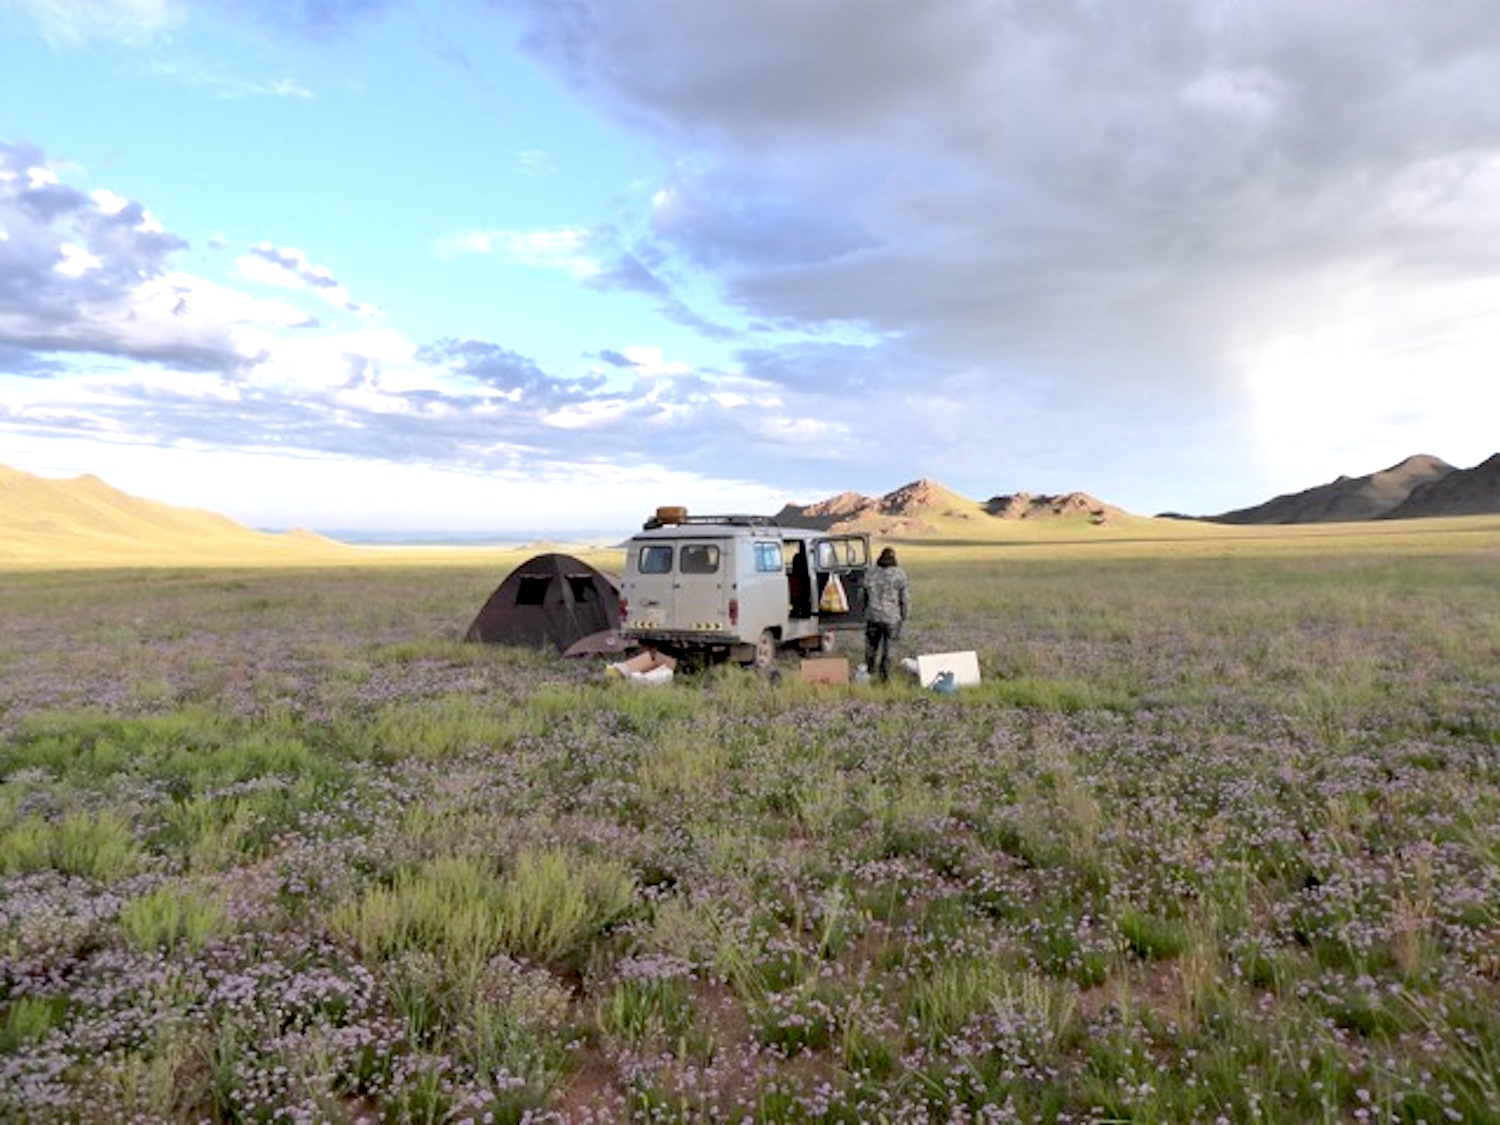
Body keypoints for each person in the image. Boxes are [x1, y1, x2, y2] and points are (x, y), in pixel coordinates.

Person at [862, 546, 910, 682]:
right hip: (892, 619)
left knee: (871, 647)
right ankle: (884, 678)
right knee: (889, 650)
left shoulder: (870, 572)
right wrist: (905, 615)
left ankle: (868, 673)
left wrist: (864, 611)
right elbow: (905, 599)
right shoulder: (899, 574)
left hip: (872, 616)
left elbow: (863, 595)